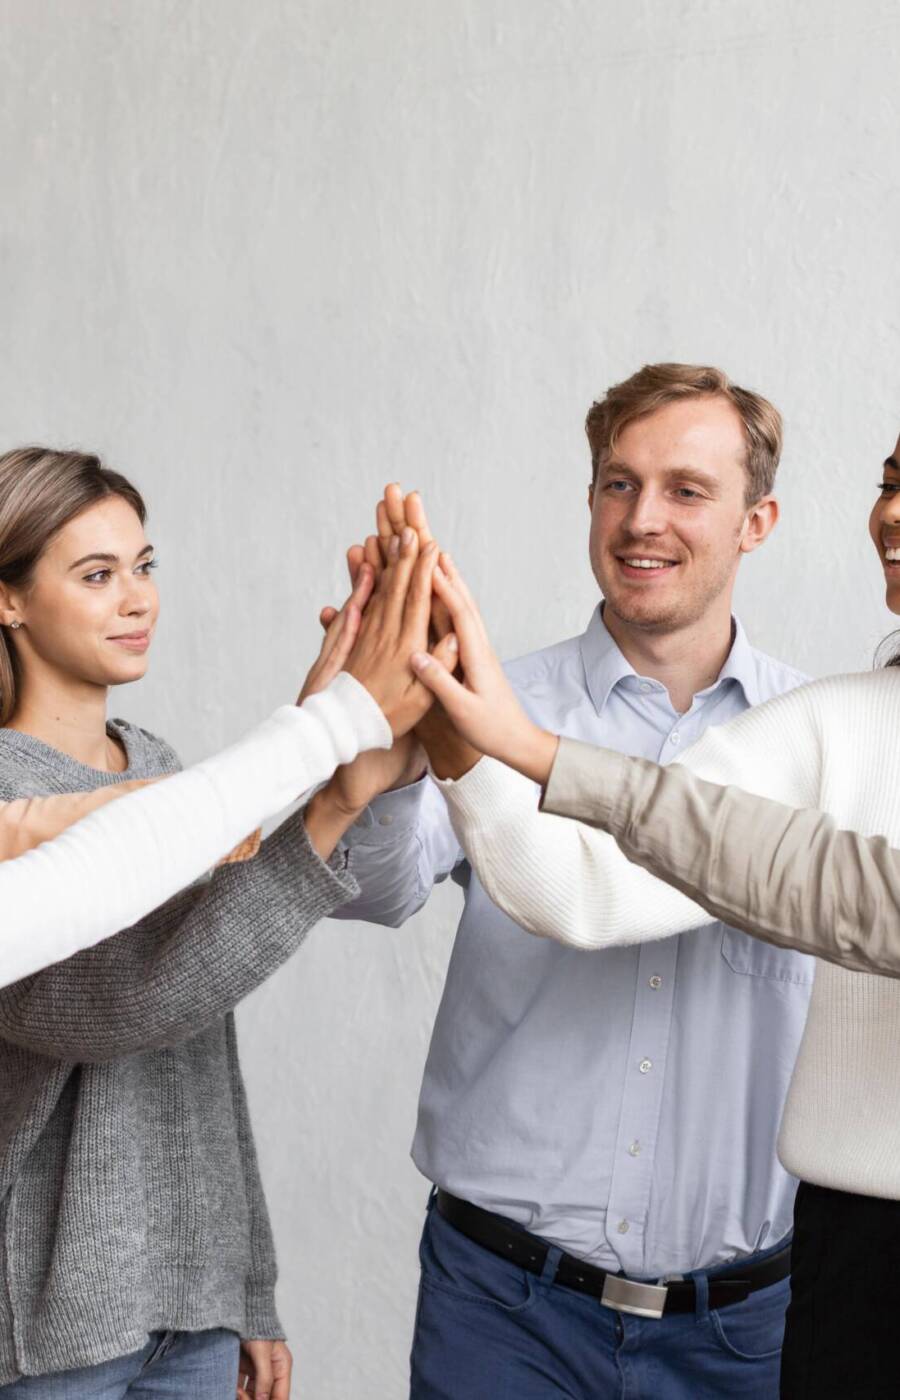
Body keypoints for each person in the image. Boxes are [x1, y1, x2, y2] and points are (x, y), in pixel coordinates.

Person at [311, 364, 810, 1399]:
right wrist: (375, 751)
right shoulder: (491, 694)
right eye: (617, 483)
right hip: (504, 1309)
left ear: (756, 520)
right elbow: (376, 888)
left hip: (745, 1331)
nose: (642, 519)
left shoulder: (815, 739)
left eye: (685, 488)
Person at [408, 433, 900, 1400]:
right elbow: (588, 888)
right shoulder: (836, 723)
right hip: (859, 1268)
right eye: (892, 483)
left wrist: (527, 745)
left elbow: (860, 897)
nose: (895, 513)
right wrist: (463, 742)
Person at [0, 446, 449, 1399]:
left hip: (192, 1311)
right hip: (49, 1329)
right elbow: (115, 1010)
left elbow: (205, 1045)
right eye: (96, 574)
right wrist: (325, 790)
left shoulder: (158, 762)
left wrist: (248, 1286)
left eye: (144, 565)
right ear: (9, 601)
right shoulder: (6, 795)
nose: (138, 599)